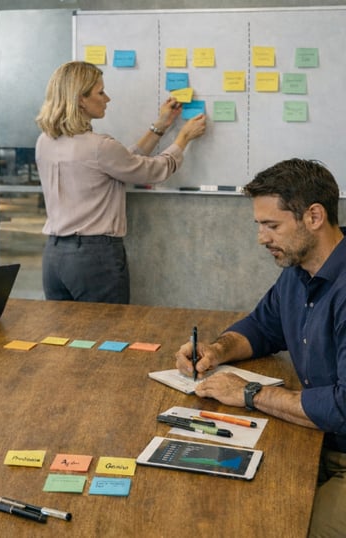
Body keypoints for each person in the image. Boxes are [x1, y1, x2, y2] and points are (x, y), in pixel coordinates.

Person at [174, 158, 346, 537]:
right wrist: (216, 351)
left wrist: (250, 393)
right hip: (313, 440)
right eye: (259, 226)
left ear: (314, 217)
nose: (262, 238)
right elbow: (262, 327)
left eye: (272, 226)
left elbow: (342, 407)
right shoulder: (298, 273)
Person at [35, 61, 207, 304]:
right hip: (94, 258)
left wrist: (160, 127)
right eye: (100, 92)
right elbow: (152, 170)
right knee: (107, 335)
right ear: (80, 99)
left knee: (65, 337)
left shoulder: (45, 141)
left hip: (54, 256)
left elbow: (120, 163)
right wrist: (183, 138)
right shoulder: (98, 147)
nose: (108, 98)